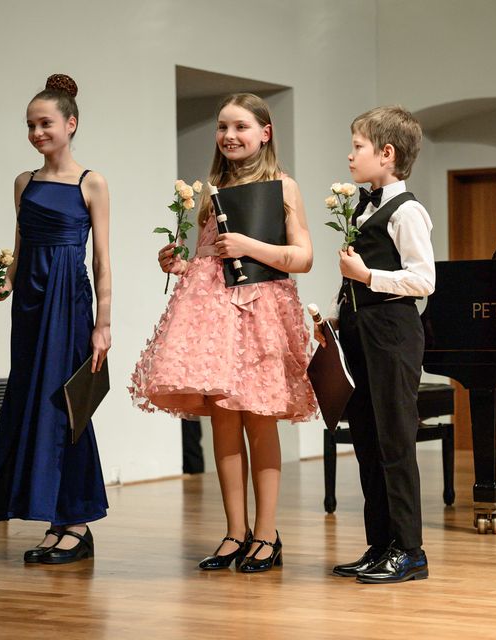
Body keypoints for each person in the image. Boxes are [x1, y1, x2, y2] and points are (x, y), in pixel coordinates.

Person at [130, 93, 316, 573]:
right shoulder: (213, 189)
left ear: (265, 133)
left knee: (259, 418)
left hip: (260, 313)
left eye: (240, 127)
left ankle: (267, 533)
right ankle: (236, 531)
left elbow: (303, 257)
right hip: (213, 314)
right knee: (223, 420)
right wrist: (181, 263)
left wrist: (250, 244)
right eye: (222, 127)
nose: (229, 136)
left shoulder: (282, 186)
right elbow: (210, 257)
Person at [0, 74, 112, 566]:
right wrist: (3, 285)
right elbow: (20, 248)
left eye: (45, 123)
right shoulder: (23, 183)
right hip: (30, 304)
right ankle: (58, 520)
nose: (36, 133)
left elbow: (102, 260)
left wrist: (103, 324)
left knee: (66, 405)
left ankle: (76, 522)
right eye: (30, 125)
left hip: (69, 301)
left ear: (70, 124)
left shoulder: (91, 182)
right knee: (33, 401)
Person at [315, 105, 435, 584]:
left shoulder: (407, 211)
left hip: (392, 335)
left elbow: (424, 280)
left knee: (394, 442)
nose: (350, 155)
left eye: (357, 147)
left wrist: (367, 276)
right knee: (366, 439)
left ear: (387, 154)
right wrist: (334, 313)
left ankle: (410, 551)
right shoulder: (362, 208)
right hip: (359, 333)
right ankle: (380, 543)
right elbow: (352, 278)